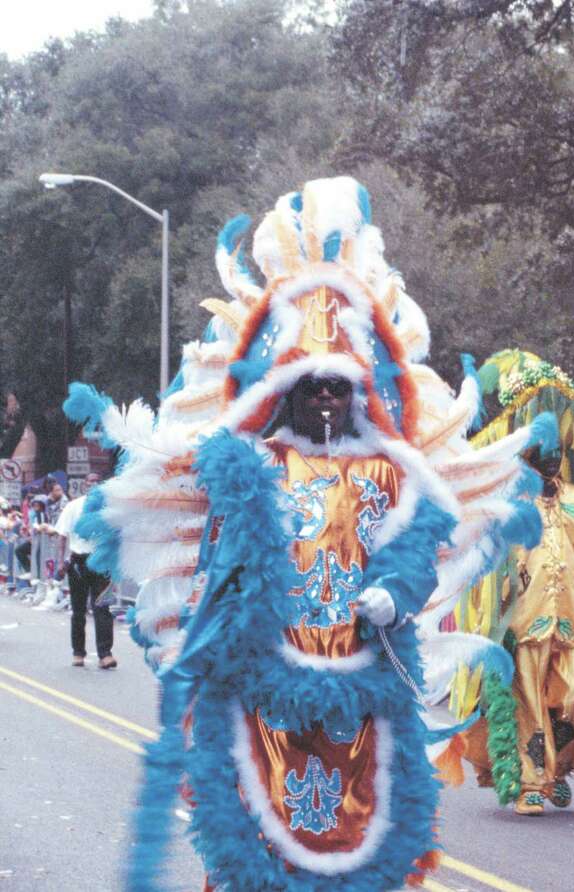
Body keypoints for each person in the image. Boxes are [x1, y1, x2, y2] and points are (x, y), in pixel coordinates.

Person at [65, 176, 547, 890]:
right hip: (266, 684)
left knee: (365, 830)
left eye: (338, 384)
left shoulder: (388, 470)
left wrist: (395, 590)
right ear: (286, 388)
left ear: (358, 392)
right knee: (261, 835)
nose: (326, 394)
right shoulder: (251, 466)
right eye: (312, 383)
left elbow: (424, 538)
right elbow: (218, 566)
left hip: (363, 684)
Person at [452, 350, 574, 815]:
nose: (553, 461)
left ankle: (556, 766)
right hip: (525, 622)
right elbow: (492, 564)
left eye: (558, 455)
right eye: (545, 454)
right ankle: (534, 779)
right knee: (527, 702)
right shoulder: (513, 501)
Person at [56, 472, 113, 668]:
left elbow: (115, 537)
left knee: (102, 608)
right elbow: (62, 535)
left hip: (101, 563)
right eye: (90, 482)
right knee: (78, 610)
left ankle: (105, 654)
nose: (93, 485)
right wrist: (61, 562)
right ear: (84, 485)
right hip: (78, 563)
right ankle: (78, 652)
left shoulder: (109, 508)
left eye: (97, 482)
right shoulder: (73, 506)